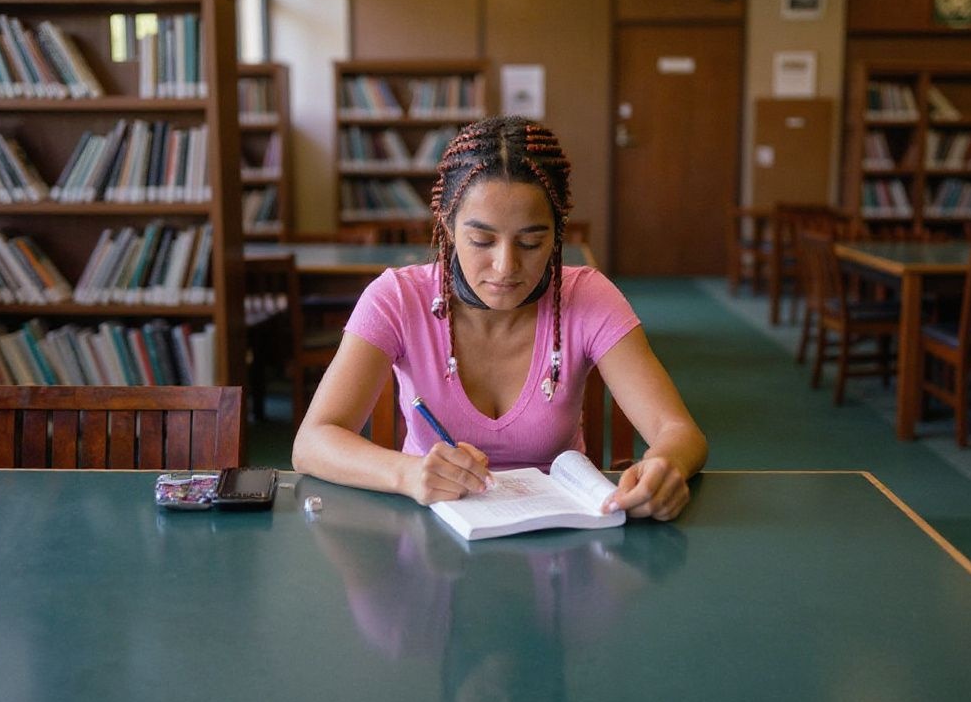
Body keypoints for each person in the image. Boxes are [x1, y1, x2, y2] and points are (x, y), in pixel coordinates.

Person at [291, 116, 707, 520]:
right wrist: (409, 473)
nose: (506, 266)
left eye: (530, 241)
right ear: (449, 228)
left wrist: (667, 465)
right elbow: (312, 442)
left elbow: (679, 431)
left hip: (561, 535)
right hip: (435, 532)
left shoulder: (587, 296)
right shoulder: (397, 298)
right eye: (481, 240)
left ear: (558, 233)